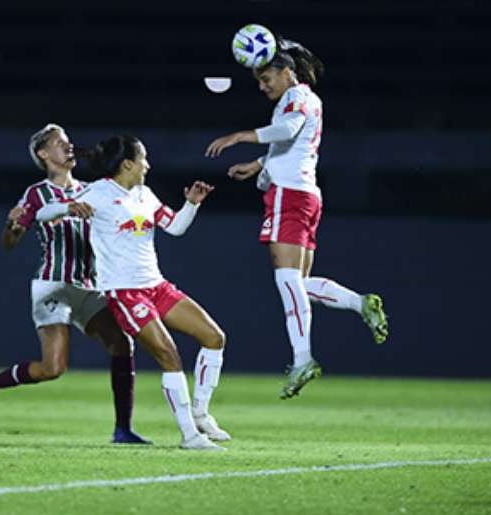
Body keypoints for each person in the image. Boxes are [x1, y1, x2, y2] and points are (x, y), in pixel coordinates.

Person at [205, 37, 389, 399]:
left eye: (265, 79)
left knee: (287, 281)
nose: (262, 87)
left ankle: (303, 358)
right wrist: (258, 165)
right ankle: (359, 302)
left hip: (289, 196)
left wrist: (241, 136)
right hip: (305, 194)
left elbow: (288, 130)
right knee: (298, 286)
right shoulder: (305, 100)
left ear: (285, 72)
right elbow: (293, 142)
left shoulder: (296, 98)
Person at [36, 135, 228, 451]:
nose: (147, 165)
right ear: (127, 164)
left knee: (214, 337)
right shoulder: (97, 192)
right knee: (170, 356)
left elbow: (176, 227)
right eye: (144, 158)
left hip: (157, 286)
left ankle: (201, 413)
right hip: (125, 293)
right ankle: (190, 436)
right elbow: (44, 213)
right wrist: (69, 206)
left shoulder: (145, 195)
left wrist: (191, 204)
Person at [0, 124, 150, 445]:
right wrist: (12, 224)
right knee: (53, 368)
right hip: (53, 285)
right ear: (43, 153)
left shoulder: (90, 189)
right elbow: (11, 242)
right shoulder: (37, 194)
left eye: (68, 142)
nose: (69, 146)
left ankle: (123, 430)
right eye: (60, 143)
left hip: (89, 287)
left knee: (122, 345)